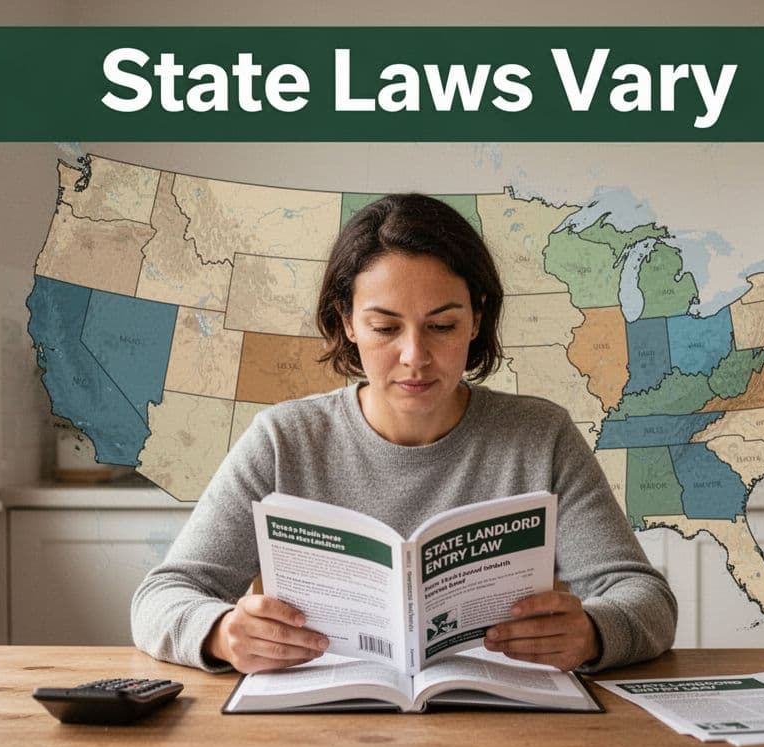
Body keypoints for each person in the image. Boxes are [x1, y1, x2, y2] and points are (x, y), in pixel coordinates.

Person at [131, 193, 677, 674]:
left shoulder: (541, 436)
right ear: (346, 320)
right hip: (319, 730)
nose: (414, 357)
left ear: (477, 318)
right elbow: (161, 596)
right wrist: (222, 634)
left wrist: (594, 632)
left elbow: (646, 599)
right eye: (385, 327)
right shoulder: (283, 440)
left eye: (441, 326)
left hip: (505, 726)